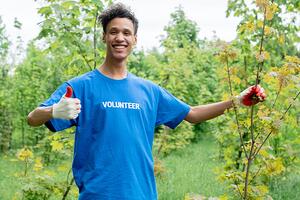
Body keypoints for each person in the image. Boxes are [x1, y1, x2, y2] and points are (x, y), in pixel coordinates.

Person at [27, 3, 266, 200]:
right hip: (97, 195)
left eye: (126, 33)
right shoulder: (80, 86)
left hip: (143, 195)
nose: (120, 37)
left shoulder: (148, 91)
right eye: (113, 31)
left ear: (135, 40)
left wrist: (235, 101)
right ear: (104, 37)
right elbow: (32, 118)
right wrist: (52, 111)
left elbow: (192, 114)